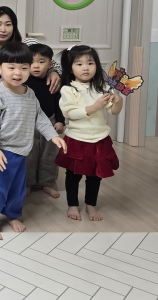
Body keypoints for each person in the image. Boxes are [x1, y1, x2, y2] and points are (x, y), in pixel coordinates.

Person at [0, 43, 66, 240]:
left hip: (22, 149)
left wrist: (53, 136)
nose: (18, 73)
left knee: (18, 187)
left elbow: (39, 117)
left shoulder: (29, 93)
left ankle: (12, 214)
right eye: (11, 67)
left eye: (24, 68)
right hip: (1, 150)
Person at [54, 45, 122, 222]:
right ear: (70, 68)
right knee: (73, 175)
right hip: (77, 139)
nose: (85, 68)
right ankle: (72, 204)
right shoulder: (68, 89)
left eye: (90, 63)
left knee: (95, 175)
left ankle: (91, 204)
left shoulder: (102, 87)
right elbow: (71, 113)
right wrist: (95, 106)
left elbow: (114, 111)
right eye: (79, 64)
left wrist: (118, 101)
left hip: (100, 139)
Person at [0, 6, 61, 93]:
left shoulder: (30, 43)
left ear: (14, 26)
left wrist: (53, 72)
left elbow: (53, 64)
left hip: (31, 93)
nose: (3, 30)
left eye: (8, 24)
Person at [25, 44, 65, 198]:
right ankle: (27, 183)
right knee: (29, 154)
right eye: (31, 62)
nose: (36, 66)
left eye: (41, 62)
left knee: (50, 154)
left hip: (50, 121)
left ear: (49, 64)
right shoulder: (23, 83)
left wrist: (60, 121)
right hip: (28, 122)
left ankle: (47, 183)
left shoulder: (53, 82)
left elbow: (59, 104)